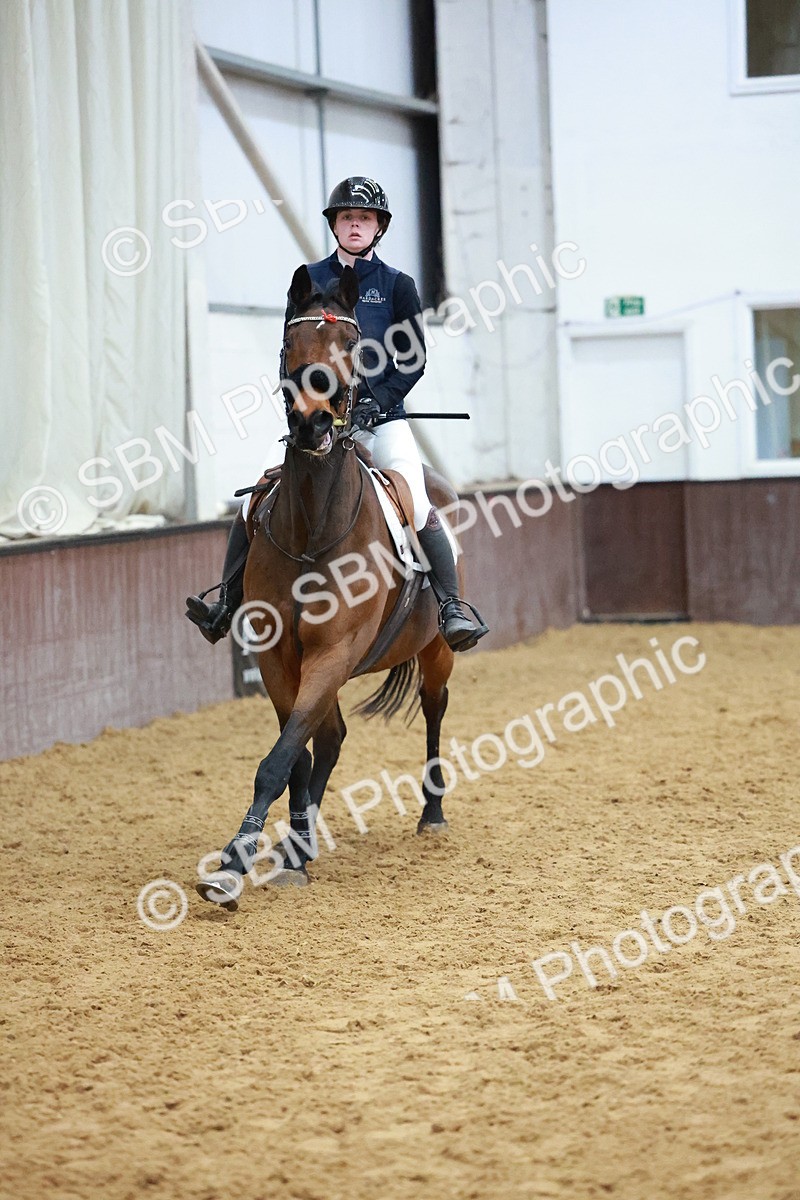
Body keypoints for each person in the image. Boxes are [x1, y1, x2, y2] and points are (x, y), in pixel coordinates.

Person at [186, 176, 488, 652]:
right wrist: (298, 405)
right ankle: (225, 600)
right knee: (255, 497)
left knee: (420, 504)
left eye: (364, 218)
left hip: (382, 420)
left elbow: (413, 361)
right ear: (335, 224)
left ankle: (451, 607)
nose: (355, 225)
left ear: (378, 227)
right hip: (314, 419)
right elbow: (287, 352)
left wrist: (377, 400)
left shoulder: (398, 286)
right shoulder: (308, 279)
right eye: (347, 217)